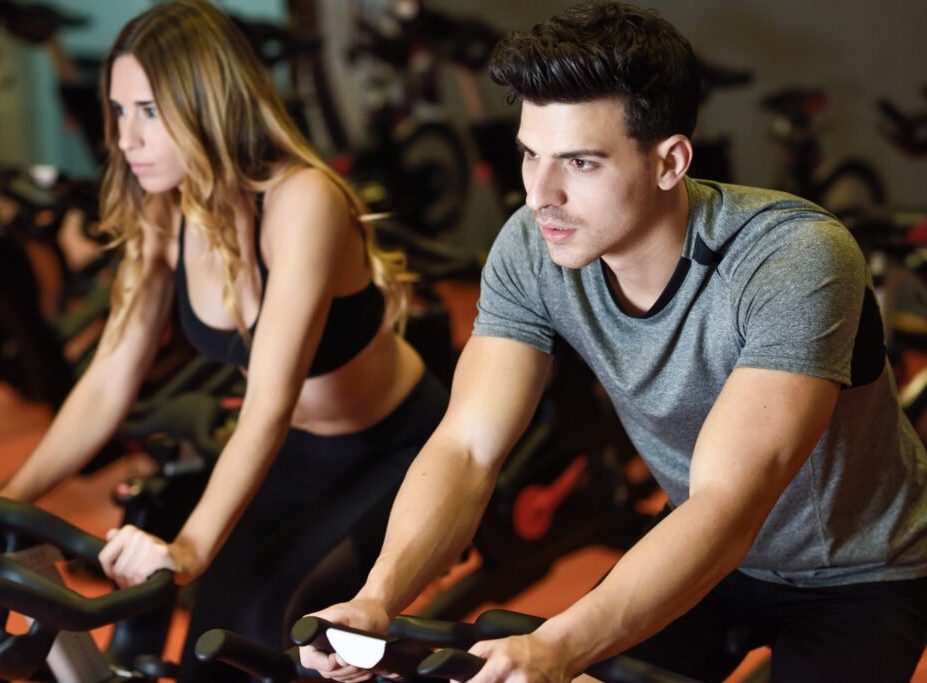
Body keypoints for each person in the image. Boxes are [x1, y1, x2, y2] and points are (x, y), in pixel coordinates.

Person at [300, 3, 927, 682]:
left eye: (581, 162)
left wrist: (559, 645)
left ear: (670, 161)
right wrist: (378, 596)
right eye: (529, 155)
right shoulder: (532, 245)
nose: (542, 194)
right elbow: (467, 445)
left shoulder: (794, 258)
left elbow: (729, 503)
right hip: (701, 545)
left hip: (862, 570)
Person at [0, 0, 447, 679]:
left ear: (210, 103)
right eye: (119, 112)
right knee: (216, 634)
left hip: (395, 448)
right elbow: (109, 374)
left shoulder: (303, 202)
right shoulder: (163, 211)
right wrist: (7, 497)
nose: (125, 138)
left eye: (149, 111)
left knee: (281, 627)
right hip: (297, 449)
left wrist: (188, 548)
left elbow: (267, 399)